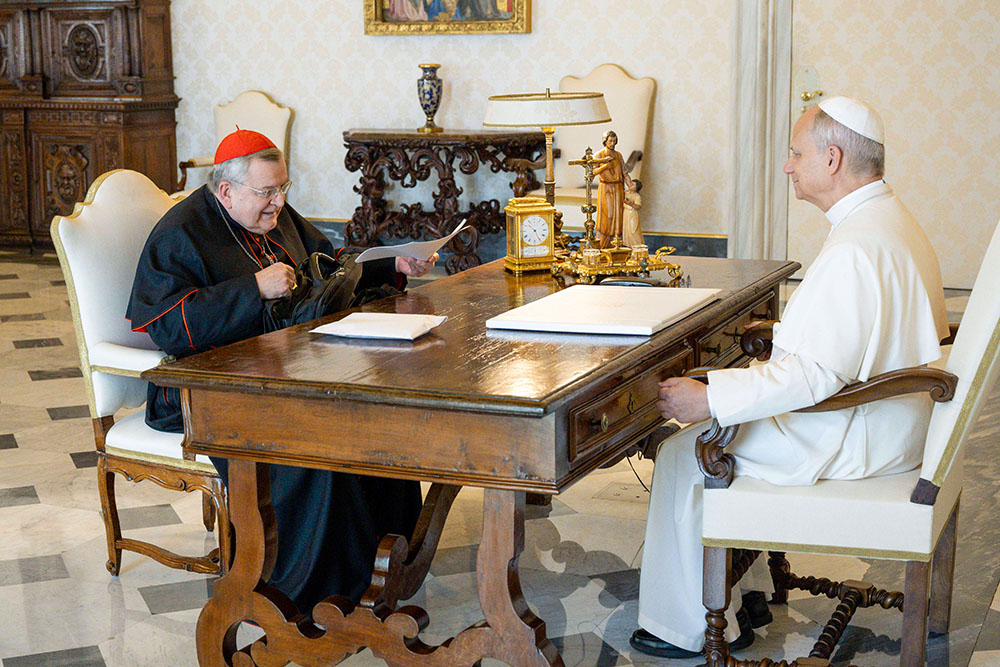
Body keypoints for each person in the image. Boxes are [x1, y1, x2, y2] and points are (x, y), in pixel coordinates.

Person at [629, 97, 948, 659]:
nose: (787, 166)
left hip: (857, 431)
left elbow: (815, 376)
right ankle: (747, 596)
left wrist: (712, 398)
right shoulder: (888, 216)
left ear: (832, 158)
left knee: (684, 453)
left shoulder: (855, 245)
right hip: (895, 418)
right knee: (717, 435)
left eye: (796, 154)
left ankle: (684, 627)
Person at [127, 129, 438, 613]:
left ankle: (388, 566)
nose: (279, 203)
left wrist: (391, 265)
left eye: (283, 188)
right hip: (207, 387)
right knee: (313, 445)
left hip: (283, 369)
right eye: (267, 192)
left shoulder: (272, 213)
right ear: (226, 190)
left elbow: (327, 267)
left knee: (373, 421)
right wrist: (252, 289)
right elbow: (167, 325)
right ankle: (315, 595)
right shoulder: (180, 233)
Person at [593, 130, 633, 249]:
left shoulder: (618, 155)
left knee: (618, 214)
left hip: (618, 188)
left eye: (614, 141)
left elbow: (625, 172)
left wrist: (630, 185)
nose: (612, 143)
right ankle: (604, 244)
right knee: (607, 215)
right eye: (610, 141)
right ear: (605, 141)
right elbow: (593, 171)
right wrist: (605, 166)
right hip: (606, 188)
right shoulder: (599, 155)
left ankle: (617, 243)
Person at [622, 179, 644, 248]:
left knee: (633, 230)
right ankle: (628, 246)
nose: (630, 185)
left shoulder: (637, 196)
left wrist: (630, 203)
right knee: (626, 231)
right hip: (626, 213)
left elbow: (638, 207)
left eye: (633, 184)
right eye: (630, 184)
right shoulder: (626, 193)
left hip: (632, 214)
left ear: (636, 188)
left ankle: (638, 247)